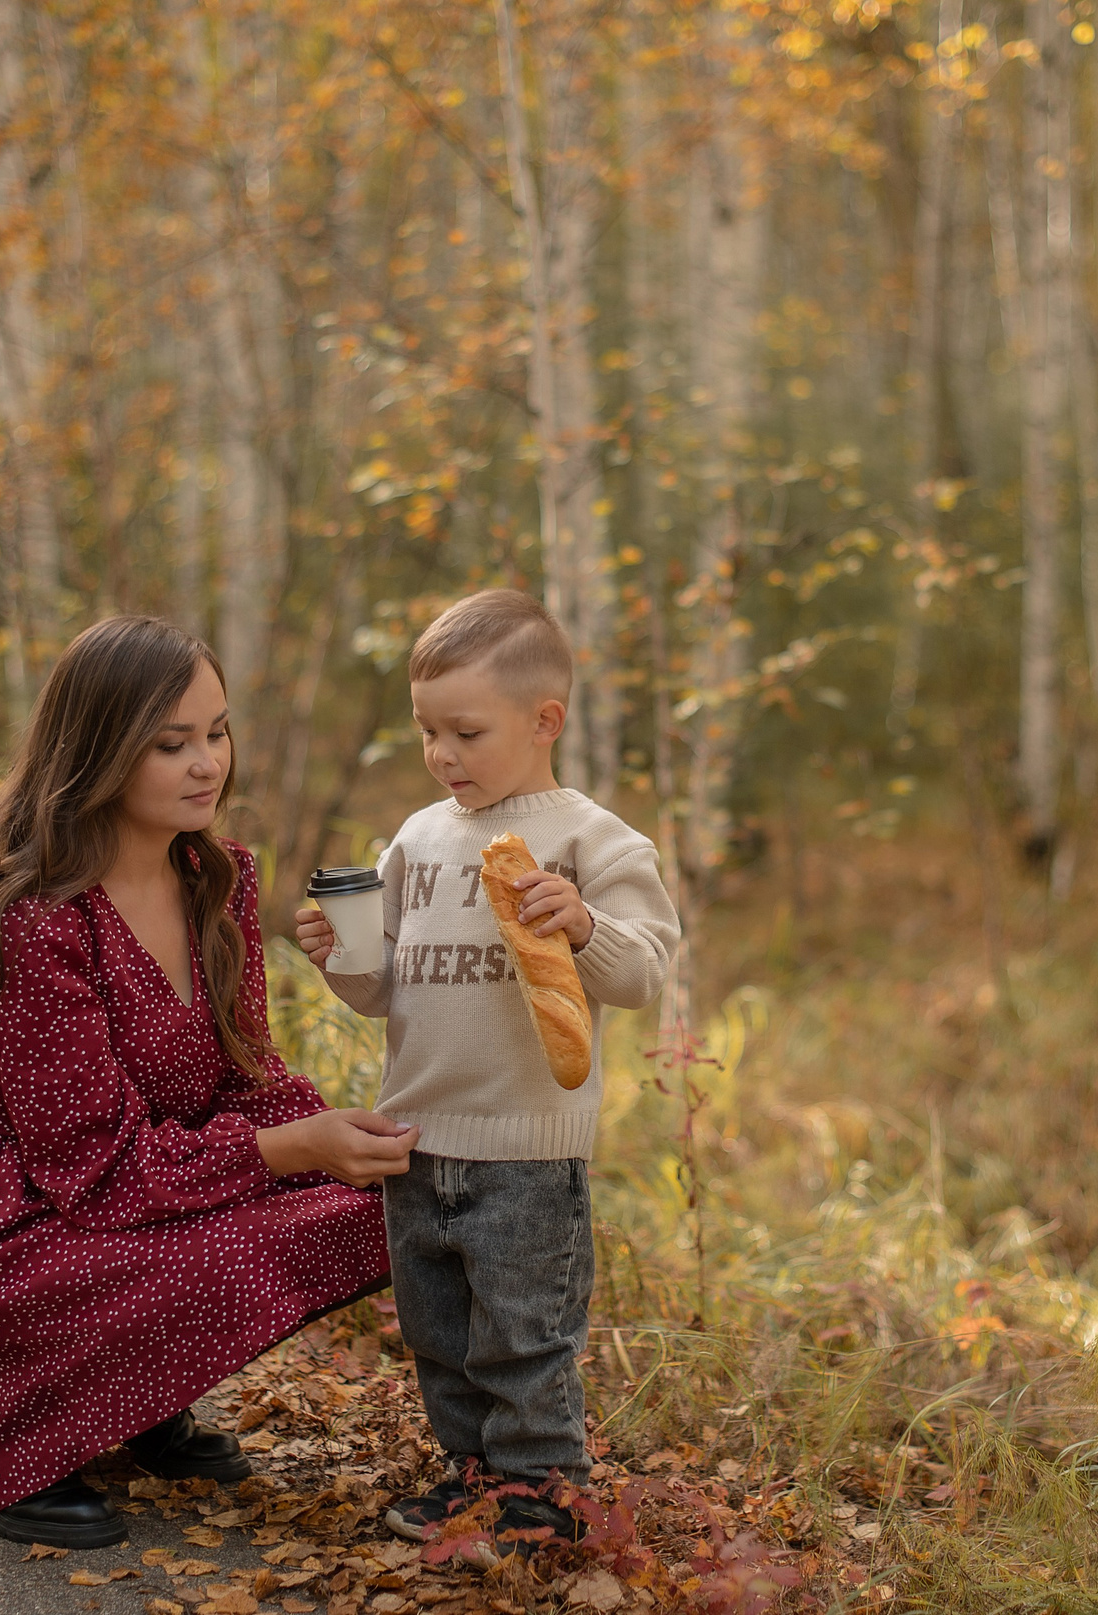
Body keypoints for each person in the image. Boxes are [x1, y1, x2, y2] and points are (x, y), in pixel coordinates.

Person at [0, 616, 413, 1549]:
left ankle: (134, 1392)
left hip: (125, 1179)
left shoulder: (218, 877)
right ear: (100, 753)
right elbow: (102, 1174)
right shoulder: (35, 921)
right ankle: (27, 1446)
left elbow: (248, 1078)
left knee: (377, 1203)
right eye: (172, 744)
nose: (208, 763)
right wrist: (293, 1149)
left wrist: (341, 1137)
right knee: (228, 1243)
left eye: (217, 730)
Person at [294, 588, 679, 1555]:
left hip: (526, 1151)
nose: (443, 755)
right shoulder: (418, 840)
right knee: (441, 1334)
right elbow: (384, 987)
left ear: (544, 721)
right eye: (428, 732)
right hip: (420, 1136)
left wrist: (584, 923)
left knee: (523, 1335)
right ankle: (471, 1478)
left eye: (466, 732)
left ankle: (542, 1490)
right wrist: (336, 955)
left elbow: (645, 971)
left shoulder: (590, 839)